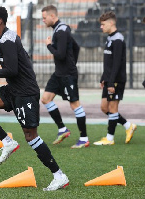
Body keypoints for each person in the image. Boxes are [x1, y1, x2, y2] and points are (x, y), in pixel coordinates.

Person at [0, 6, 69, 191]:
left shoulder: (7, 40)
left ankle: (59, 175)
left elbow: (12, 70)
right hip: (14, 89)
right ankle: (7, 141)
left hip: (25, 92)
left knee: (31, 136)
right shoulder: (3, 38)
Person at [41, 5, 89, 148]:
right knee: (45, 99)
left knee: (75, 105)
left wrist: (49, 46)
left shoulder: (61, 31)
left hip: (67, 75)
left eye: (44, 18)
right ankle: (62, 129)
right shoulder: (60, 29)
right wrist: (71, 62)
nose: (43, 20)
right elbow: (76, 47)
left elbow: (60, 54)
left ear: (52, 16)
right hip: (59, 73)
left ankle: (84, 138)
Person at [94, 11, 137, 145]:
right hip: (109, 79)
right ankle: (128, 125)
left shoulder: (118, 39)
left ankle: (110, 138)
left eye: (103, 24)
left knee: (112, 108)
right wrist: (104, 78)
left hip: (116, 80)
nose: (101, 27)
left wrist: (111, 82)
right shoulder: (110, 37)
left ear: (111, 23)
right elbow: (109, 61)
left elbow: (117, 63)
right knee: (104, 107)